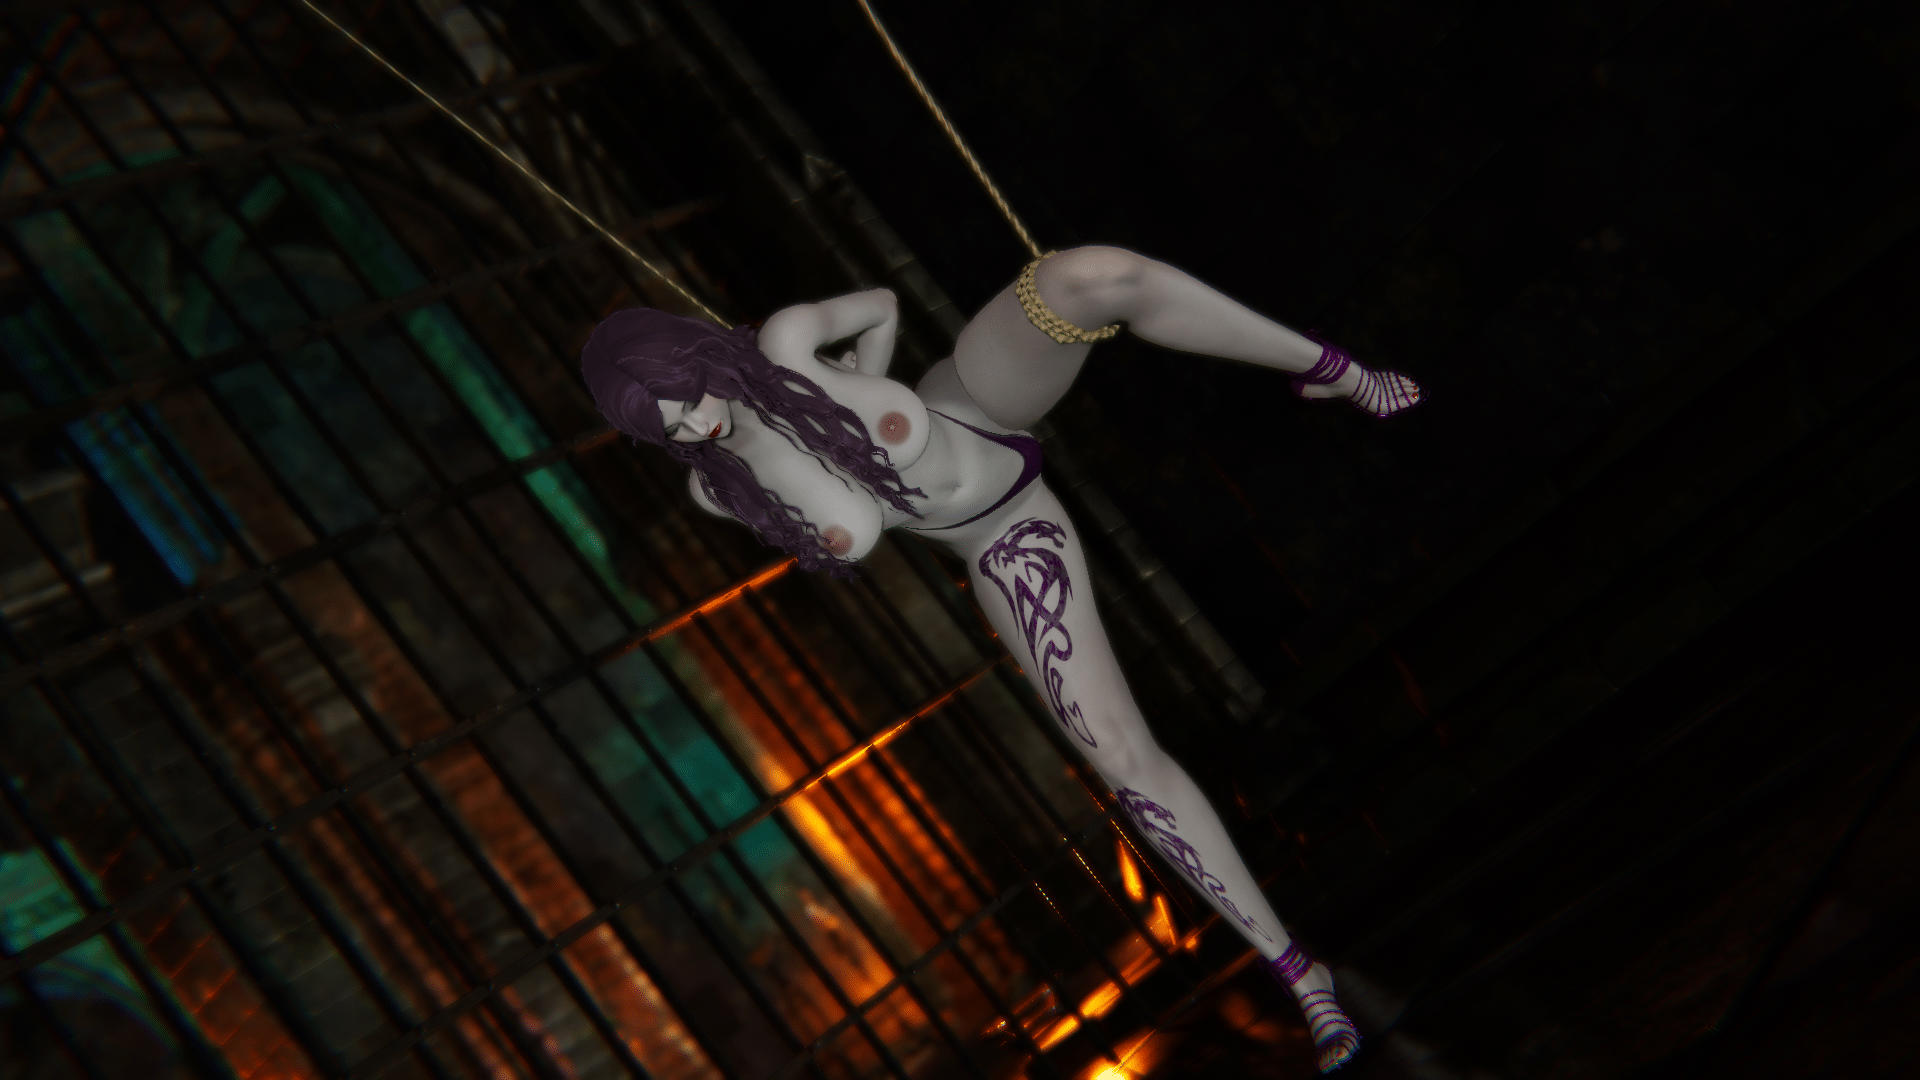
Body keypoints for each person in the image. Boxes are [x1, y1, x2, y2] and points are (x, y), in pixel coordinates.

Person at [581, 245, 1420, 1073]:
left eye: (684, 403)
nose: (693, 428)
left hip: (972, 405)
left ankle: (1332, 370)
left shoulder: (787, 343)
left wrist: (860, 387)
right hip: (1000, 535)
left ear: (693, 358)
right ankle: (1299, 975)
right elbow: (839, 520)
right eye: (668, 431)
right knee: (1120, 756)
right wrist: (852, 476)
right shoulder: (719, 487)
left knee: (1089, 277)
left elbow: (882, 305)